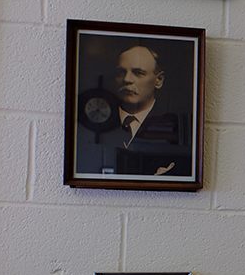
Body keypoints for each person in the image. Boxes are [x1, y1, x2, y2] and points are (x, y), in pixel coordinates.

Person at [75, 43, 190, 178]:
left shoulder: (171, 126)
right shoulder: (98, 129)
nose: (127, 79)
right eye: (120, 72)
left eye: (138, 73)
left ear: (158, 80)